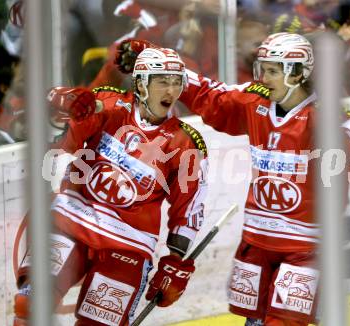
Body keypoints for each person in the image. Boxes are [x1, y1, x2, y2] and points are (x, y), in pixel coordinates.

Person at [116, 33, 350, 325]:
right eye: (262, 69)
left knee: (284, 322)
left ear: (298, 74)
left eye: (273, 71)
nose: (264, 78)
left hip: (306, 247)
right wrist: (157, 60)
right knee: (256, 322)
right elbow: (210, 95)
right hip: (258, 242)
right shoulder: (255, 102)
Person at [13, 47, 208, 325]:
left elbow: (188, 206)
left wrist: (175, 261)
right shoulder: (110, 103)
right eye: (162, 81)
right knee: (29, 303)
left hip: (128, 243)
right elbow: (67, 141)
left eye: (177, 81)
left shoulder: (185, 142)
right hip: (72, 219)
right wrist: (73, 108)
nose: (171, 90)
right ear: (141, 82)